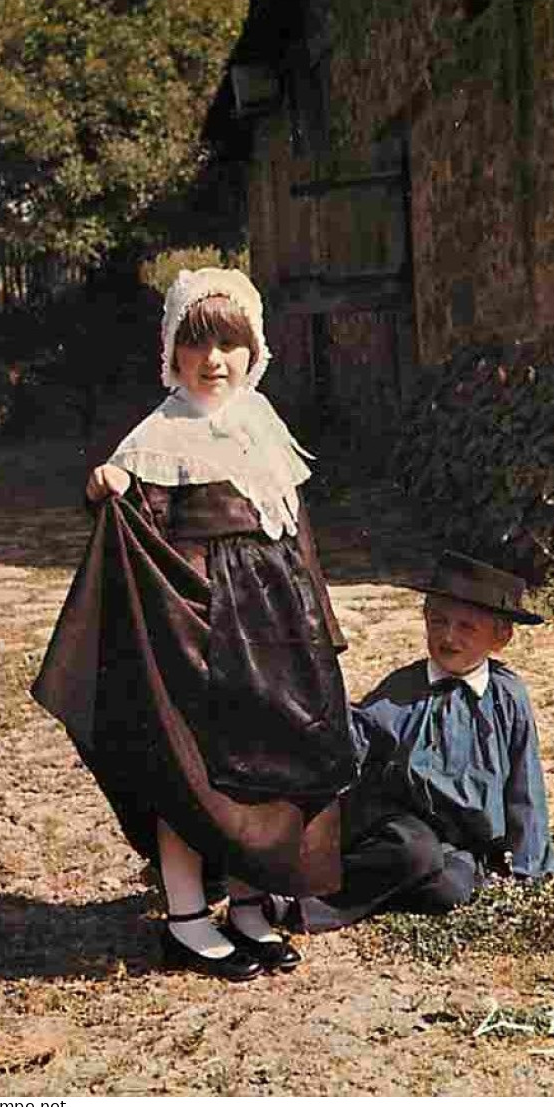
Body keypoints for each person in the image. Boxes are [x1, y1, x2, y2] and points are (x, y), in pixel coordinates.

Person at [32, 267, 358, 980]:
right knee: (193, 774)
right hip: (197, 630)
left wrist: (319, 622)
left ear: (254, 349)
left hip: (275, 631)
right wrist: (106, 487)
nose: (214, 361)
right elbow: (132, 526)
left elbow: (296, 534)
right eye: (197, 345)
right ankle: (184, 918)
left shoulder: (263, 425)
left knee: (261, 771)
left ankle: (247, 905)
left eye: (230, 345)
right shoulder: (159, 437)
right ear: (172, 353)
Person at [281, 550, 554, 934]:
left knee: (452, 890)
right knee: (414, 852)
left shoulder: (508, 698)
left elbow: (524, 787)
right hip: (396, 823)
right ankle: (306, 905)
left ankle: (385, 884)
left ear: (501, 637)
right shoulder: (404, 689)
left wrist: (531, 873)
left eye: (467, 627)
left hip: (460, 842)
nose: (448, 636)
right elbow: (356, 741)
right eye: (438, 621)